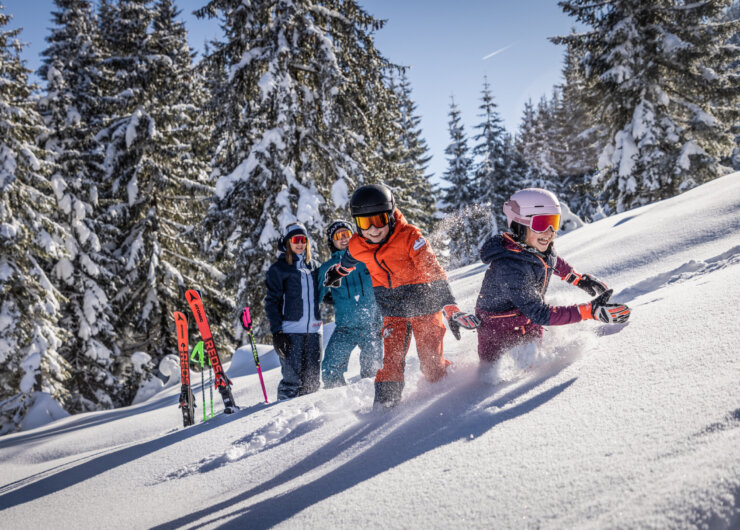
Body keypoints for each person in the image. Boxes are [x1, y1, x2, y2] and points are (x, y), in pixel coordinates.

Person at [323, 184, 480, 409]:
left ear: (390, 215)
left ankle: (449, 399)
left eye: (379, 220)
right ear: (357, 223)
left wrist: (449, 306)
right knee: (390, 364)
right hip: (392, 310)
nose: (373, 229)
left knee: (431, 365)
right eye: (365, 223)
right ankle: (384, 409)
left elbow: (433, 270)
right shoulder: (358, 243)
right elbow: (349, 259)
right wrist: (337, 273)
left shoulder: (409, 237)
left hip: (423, 305)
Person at [474, 188, 631, 383]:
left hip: (529, 321)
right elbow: (541, 313)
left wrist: (578, 278)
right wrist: (589, 311)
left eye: (553, 223)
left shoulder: (538, 248)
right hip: (496, 329)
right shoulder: (509, 268)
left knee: (533, 366)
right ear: (519, 225)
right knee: (490, 378)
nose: (549, 233)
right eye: (541, 224)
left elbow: (552, 262)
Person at [318, 220, 383, 388]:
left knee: (373, 370)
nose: (343, 238)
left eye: (346, 234)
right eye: (338, 236)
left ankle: (372, 402)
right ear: (331, 241)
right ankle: (338, 404)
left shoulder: (367, 257)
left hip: (372, 324)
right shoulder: (327, 268)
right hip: (345, 327)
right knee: (330, 368)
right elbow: (315, 295)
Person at [265, 222, 323, 400]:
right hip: (291, 332)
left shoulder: (315, 266)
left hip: (314, 331)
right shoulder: (279, 269)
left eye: (303, 240)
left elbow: (326, 294)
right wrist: (277, 332)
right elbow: (272, 302)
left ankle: (308, 423)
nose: (300, 244)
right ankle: (282, 419)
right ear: (287, 242)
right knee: (291, 381)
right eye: (296, 240)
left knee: (312, 382)